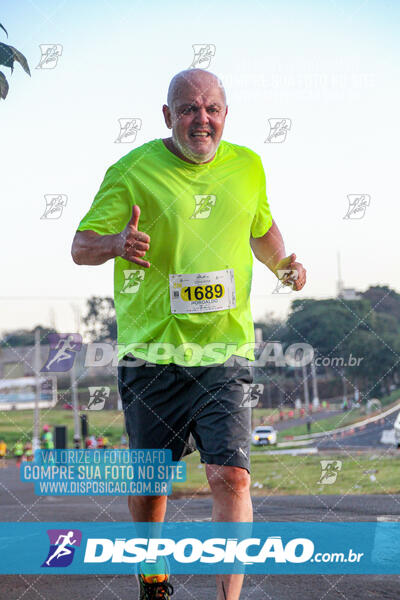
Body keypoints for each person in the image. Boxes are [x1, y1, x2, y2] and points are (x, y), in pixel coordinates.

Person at [72, 69, 307, 600]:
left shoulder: (248, 165)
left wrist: (282, 265)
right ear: (167, 116)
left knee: (232, 477)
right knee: (153, 487)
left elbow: (261, 227)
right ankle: (152, 574)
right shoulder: (131, 171)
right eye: (188, 109)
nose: (202, 119)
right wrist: (116, 243)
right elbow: (80, 246)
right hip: (151, 353)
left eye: (212, 109)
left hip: (225, 352)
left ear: (225, 114)